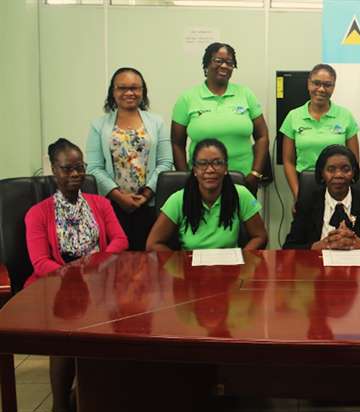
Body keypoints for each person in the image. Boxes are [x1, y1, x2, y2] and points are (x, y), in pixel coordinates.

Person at [24, 138, 128, 412]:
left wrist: (95, 265)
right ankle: (60, 404)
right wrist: (76, 276)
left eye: (79, 167)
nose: (75, 174)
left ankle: (88, 396)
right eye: (67, 168)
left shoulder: (100, 204)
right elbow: (40, 262)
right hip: (56, 287)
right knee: (64, 334)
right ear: (54, 170)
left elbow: (120, 240)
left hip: (99, 281)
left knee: (115, 327)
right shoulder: (37, 213)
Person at [86, 67, 174, 250]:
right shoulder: (98, 125)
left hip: (150, 205)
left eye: (134, 88)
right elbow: (94, 167)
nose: (129, 93)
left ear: (143, 91)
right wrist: (119, 197)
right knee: (117, 259)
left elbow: (165, 162)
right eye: (122, 88)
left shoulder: (157, 123)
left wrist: (146, 194)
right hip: (112, 206)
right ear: (113, 92)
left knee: (148, 258)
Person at [171, 42, 269, 194]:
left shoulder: (246, 94)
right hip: (202, 181)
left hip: (244, 180)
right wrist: (186, 178)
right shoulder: (187, 98)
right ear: (206, 64)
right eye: (218, 60)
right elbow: (177, 143)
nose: (224, 66)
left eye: (229, 62)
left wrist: (255, 173)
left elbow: (262, 136)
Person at [146, 139, 267, 251]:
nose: (210, 170)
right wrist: (180, 263)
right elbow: (153, 244)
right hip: (190, 265)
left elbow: (260, 237)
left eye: (217, 163)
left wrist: (241, 259)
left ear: (226, 168)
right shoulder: (178, 200)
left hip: (230, 264)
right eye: (203, 164)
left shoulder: (241, 194)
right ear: (194, 169)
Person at [283, 145, 360, 249]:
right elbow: (289, 247)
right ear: (322, 173)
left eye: (346, 169)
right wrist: (317, 246)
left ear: (354, 172)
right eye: (331, 170)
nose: (339, 175)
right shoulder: (307, 203)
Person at [280, 64, 360, 201]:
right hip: (305, 183)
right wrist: (298, 194)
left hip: (338, 185)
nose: (321, 89)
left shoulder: (346, 116)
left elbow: (354, 161)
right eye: (316, 83)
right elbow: (288, 161)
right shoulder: (293, 116)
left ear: (333, 87)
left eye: (327, 85)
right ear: (308, 84)